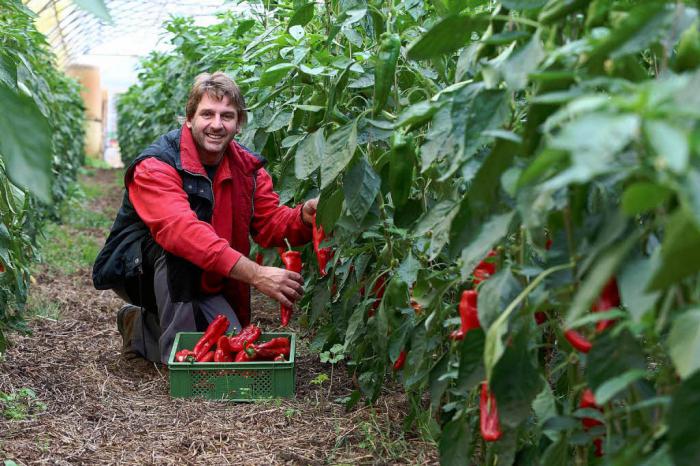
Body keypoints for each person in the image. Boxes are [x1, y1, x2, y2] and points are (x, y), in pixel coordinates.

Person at [92, 71, 317, 364]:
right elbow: (181, 232)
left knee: (228, 345)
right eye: (207, 114)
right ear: (189, 119)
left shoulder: (247, 170)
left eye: (227, 116)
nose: (216, 124)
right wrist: (257, 275)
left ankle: (140, 328)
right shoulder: (156, 165)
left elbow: (270, 224)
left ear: (239, 124)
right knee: (181, 255)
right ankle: (180, 362)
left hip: (208, 273)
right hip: (141, 271)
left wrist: (304, 217)